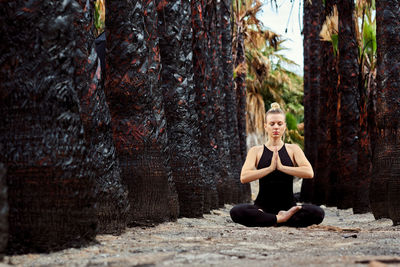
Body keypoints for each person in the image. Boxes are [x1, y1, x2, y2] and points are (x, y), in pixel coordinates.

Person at [230, 102, 324, 227]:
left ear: (284, 126)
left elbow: (309, 172)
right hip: (261, 207)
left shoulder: (293, 149)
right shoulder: (256, 151)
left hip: (289, 207)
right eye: (272, 124)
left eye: (279, 124)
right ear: (265, 126)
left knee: (319, 213)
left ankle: (271, 219)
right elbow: (244, 177)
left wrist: (282, 167)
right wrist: (270, 168)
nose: (276, 127)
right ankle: (280, 219)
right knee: (235, 212)